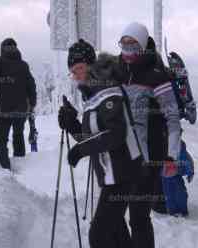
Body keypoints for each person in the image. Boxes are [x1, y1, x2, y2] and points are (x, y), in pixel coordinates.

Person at [58, 39, 143, 248]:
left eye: (78, 68)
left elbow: (115, 135)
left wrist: (80, 150)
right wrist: (72, 125)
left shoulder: (107, 90)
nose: (76, 74)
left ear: (90, 65)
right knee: (117, 235)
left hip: (123, 174)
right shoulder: (93, 96)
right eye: (72, 71)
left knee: (98, 236)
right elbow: (94, 139)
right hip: (112, 177)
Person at [116, 22, 183, 246]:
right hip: (121, 156)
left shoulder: (155, 74)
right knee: (113, 219)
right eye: (124, 44)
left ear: (142, 45)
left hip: (148, 158)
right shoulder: (116, 72)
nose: (127, 49)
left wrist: (171, 155)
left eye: (132, 44)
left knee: (138, 218)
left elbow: (173, 119)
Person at [0, 38, 37, 170]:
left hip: (3, 109)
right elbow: (31, 85)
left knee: (1, 139)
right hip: (20, 110)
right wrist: (32, 103)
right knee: (18, 135)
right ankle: (20, 164)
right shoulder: (23, 65)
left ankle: (4, 167)